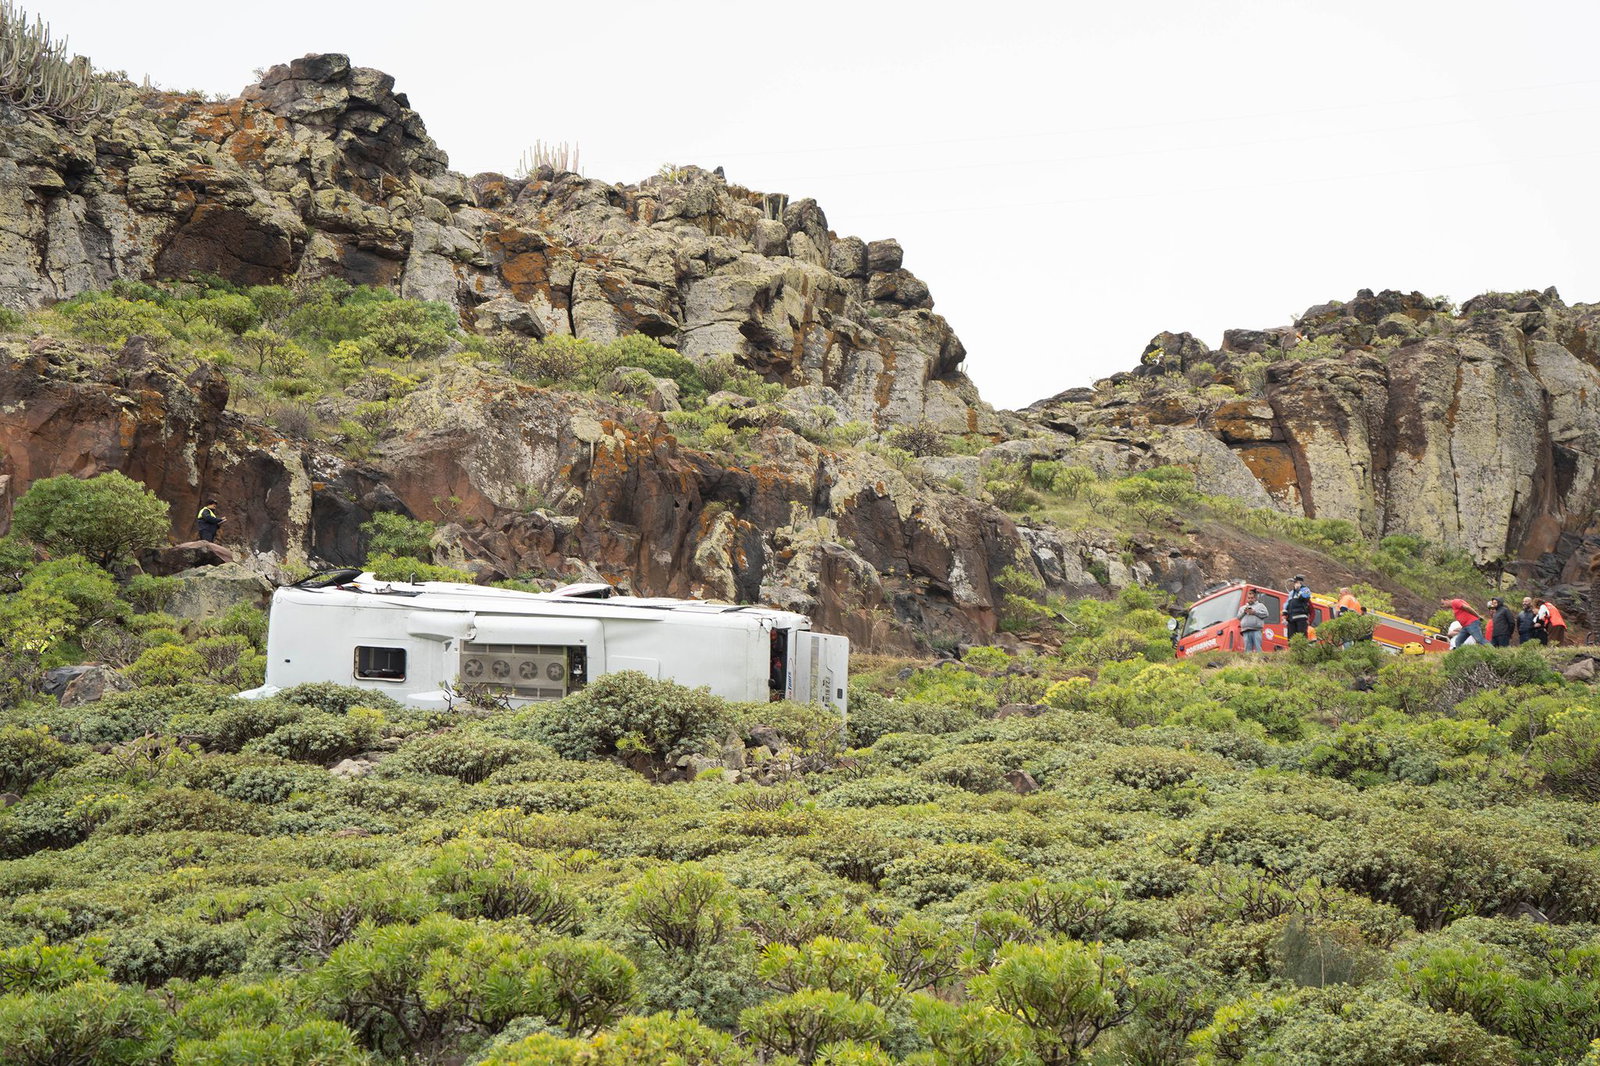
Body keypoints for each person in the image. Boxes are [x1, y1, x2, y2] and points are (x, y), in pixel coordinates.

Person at [1284, 575, 1313, 641]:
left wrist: (1298, 590)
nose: (1295, 584)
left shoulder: (1305, 590)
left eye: (1297, 582)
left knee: (1301, 637)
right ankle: (1292, 650)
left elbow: (1305, 598)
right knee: (1291, 638)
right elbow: (1288, 604)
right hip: (1291, 619)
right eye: (1295, 582)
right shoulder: (1292, 593)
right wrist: (1285, 615)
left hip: (1301, 618)